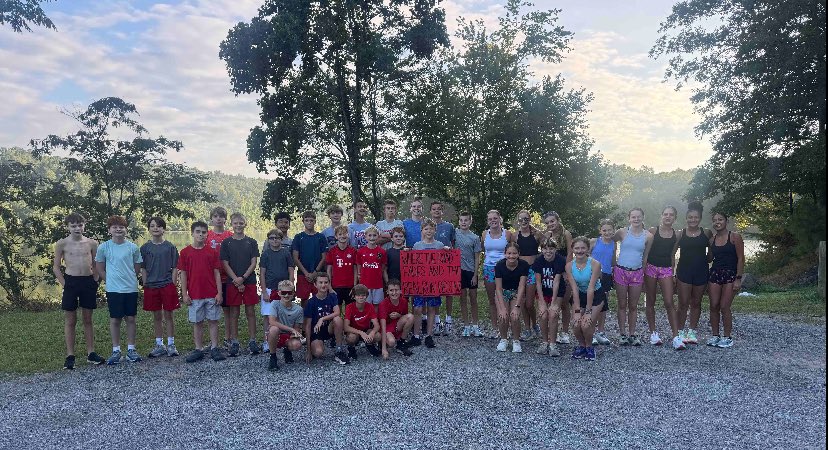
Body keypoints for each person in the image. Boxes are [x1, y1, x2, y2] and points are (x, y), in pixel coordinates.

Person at [53, 212, 104, 369]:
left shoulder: (92, 243)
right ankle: (70, 355)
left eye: (80, 225)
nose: (77, 228)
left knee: (88, 319)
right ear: (68, 227)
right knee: (71, 320)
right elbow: (56, 267)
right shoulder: (62, 244)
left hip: (88, 282)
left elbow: (97, 265)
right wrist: (64, 283)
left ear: (84, 225)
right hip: (71, 282)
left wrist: (96, 280)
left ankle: (91, 353)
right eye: (73, 225)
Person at [95, 215, 143, 365]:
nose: (118, 229)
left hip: (130, 288)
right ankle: (116, 350)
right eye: (115, 227)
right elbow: (100, 268)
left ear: (126, 230)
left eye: (121, 227)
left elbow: (137, 268)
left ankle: (131, 349)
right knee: (115, 319)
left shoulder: (133, 247)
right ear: (109, 230)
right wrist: (110, 280)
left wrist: (129, 279)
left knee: (130, 319)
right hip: (113, 289)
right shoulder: (104, 247)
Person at [178, 221, 226, 363]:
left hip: (211, 293)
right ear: (192, 233)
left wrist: (219, 292)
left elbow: (217, 273)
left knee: (213, 321)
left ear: (207, 234)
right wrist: (184, 294)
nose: (201, 234)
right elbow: (183, 274)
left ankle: (214, 347)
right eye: (198, 231)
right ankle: (198, 349)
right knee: (197, 322)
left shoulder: (212, 252)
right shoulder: (185, 252)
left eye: (204, 232)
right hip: (195, 294)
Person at [644, 206, 686, 350]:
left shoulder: (677, 234)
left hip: (666, 269)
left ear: (675, 218)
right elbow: (645, 252)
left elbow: (672, 254)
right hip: (650, 267)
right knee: (650, 300)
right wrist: (642, 270)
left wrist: (673, 273)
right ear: (661, 216)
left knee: (669, 301)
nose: (668, 217)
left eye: (671, 215)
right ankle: (653, 333)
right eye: (666, 214)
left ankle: (675, 337)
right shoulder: (652, 231)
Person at [219, 212, 260, 357]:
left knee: (250, 312)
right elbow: (225, 263)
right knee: (234, 313)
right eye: (235, 223)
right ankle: (234, 341)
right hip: (232, 282)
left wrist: (243, 278)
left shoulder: (252, 242)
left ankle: (252, 341)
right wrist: (236, 279)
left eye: (241, 223)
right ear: (231, 224)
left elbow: (254, 262)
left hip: (249, 281)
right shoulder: (226, 243)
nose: (238, 225)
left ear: (245, 224)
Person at [612, 208, 654, 346]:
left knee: (634, 305)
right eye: (633, 217)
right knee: (622, 304)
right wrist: (612, 263)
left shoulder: (648, 236)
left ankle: (632, 333)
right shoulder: (622, 232)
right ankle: (622, 334)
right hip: (621, 271)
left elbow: (645, 255)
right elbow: (609, 242)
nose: (636, 219)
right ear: (629, 218)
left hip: (637, 272)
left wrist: (642, 270)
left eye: (638, 217)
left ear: (643, 217)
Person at [140, 216, 180, 358]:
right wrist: (145, 282)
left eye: (159, 226)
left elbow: (175, 266)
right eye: (152, 226)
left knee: (169, 315)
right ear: (149, 229)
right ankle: (159, 344)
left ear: (163, 229)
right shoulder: (145, 248)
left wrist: (173, 283)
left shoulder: (170, 247)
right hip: (151, 285)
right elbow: (143, 267)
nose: (156, 228)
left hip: (167, 284)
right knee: (157, 315)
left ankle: (171, 344)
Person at [674, 201, 712, 344]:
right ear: (686, 218)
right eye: (690, 217)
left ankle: (692, 332)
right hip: (684, 272)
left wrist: (706, 260)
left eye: (696, 217)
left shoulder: (707, 233)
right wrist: (672, 272)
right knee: (683, 303)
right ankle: (680, 331)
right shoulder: (681, 233)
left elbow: (712, 252)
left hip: (701, 272)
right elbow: (672, 253)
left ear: (700, 218)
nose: (693, 220)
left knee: (696, 302)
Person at [707, 212, 744, 348]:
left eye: (720, 219)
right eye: (715, 220)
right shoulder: (712, 240)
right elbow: (709, 258)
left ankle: (727, 337)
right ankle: (715, 335)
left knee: (724, 306)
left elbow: (741, 258)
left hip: (730, 274)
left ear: (726, 221)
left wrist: (738, 278)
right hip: (715, 273)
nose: (718, 222)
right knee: (714, 305)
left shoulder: (734, 237)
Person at [566, 237, 607, 361]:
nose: (580, 251)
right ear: (573, 249)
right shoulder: (569, 266)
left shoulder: (595, 264)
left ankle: (589, 347)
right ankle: (582, 346)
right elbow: (574, 289)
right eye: (577, 248)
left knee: (586, 324)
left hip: (595, 294)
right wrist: (577, 311)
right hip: (579, 295)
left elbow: (591, 288)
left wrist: (588, 312)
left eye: (583, 248)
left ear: (588, 249)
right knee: (576, 324)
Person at [411, 218, 449, 348]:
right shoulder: (417, 246)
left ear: (435, 230)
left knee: (432, 308)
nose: (428, 231)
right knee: (417, 308)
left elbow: (445, 263)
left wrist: (447, 251)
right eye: (426, 229)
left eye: (431, 229)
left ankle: (429, 335)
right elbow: (412, 265)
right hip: (420, 282)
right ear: (422, 231)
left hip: (434, 282)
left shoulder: (439, 246)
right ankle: (416, 335)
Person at [259, 228, 295, 352]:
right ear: (268, 240)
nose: (274, 240)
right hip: (269, 288)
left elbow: (291, 270)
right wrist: (264, 291)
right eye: (272, 238)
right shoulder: (265, 254)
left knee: (283, 315)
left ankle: (283, 339)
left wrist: (291, 286)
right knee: (268, 316)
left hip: (283, 289)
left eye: (277, 238)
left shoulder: (286, 253)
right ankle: (266, 341)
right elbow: (262, 273)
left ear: (281, 239)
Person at [303, 272, 349, 364]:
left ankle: (339, 350)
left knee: (338, 319)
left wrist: (322, 319)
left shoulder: (332, 296)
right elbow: (307, 326)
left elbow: (337, 312)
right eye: (320, 282)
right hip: (316, 330)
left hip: (328, 328)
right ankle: (314, 344)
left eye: (326, 282)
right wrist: (308, 351)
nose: (323, 285)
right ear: (315, 285)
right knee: (318, 353)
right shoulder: (310, 302)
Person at [542, 211, 573, 345]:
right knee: (551, 302)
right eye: (548, 222)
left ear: (558, 220)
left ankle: (565, 332)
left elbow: (571, 252)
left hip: (564, 270)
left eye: (552, 221)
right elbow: (545, 252)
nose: (550, 224)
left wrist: (566, 271)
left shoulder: (566, 234)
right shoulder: (547, 235)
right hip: (550, 272)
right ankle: (551, 332)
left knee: (564, 303)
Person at [513, 210, 544, 340]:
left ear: (530, 219)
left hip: (532, 270)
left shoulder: (536, 234)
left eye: (526, 219)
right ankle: (527, 328)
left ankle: (535, 324)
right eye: (521, 219)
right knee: (522, 301)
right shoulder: (515, 236)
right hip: (520, 271)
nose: (523, 222)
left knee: (530, 303)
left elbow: (549, 246)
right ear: (518, 221)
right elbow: (512, 251)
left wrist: (539, 259)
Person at [481, 210, 513, 339]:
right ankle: (495, 328)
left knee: (506, 297)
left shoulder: (508, 234)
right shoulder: (484, 234)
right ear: (487, 221)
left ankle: (508, 326)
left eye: (495, 218)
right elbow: (484, 250)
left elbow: (513, 250)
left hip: (505, 268)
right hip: (489, 268)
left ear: (500, 219)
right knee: (492, 300)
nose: (493, 221)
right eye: (490, 219)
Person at [494, 242, 529, 353]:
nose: (511, 256)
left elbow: (522, 286)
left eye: (514, 253)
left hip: (516, 293)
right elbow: (498, 288)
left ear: (518, 254)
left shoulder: (523, 265)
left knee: (514, 316)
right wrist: (502, 308)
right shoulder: (499, 265)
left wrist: (517, 306)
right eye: (509, 253)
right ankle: (504, 339)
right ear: (505, 254)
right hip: (503, 292)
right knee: (502, 316)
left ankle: (516, 340)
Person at [206, 206, 233, 347]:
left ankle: (228, 338)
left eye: (221, 216)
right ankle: (213, 341)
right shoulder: (207, 235)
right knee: (212, 311)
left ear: (225, 219)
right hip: (211, 279)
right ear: (212, 218)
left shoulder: (229, 235)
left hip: (227, 277)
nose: (218, 219)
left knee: (227, 310)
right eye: (215, 216)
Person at [533, 238, 565, 356]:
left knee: (553, 314)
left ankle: (553, 343)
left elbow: (556, 282)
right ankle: (544, 341)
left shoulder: (560, 260)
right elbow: (538, 282)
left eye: (551, 248)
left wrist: (552, 303)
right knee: (543, 314)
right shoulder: (538, 260)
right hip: (543, 291)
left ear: (555, 249)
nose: (548, 251)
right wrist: (541, 302)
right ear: (542, 250)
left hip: (557, 292)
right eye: (545, 249)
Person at [454, 211, 483, 337]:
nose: (463, 222)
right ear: (459, 221)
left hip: (471, 271)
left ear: (470, 222)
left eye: (466, 220)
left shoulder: (475, 238)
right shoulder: (454, 234)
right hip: (458, 271)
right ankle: (466, 325)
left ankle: (475, 326)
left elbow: (477, 257)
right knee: (462, 299)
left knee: (473, 299)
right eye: (461, 220)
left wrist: (475, 274)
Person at [430, 200, 456, 335]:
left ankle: (449, 319)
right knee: (436, 292)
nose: (436, 211)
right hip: (433, 265)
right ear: (430, 211)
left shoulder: (449, 226)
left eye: (438, 209)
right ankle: (437, 320)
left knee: (448, 292)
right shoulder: (427, 226)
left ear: (442, 211)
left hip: (447, 263)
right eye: (434, 209)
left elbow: (453, 244)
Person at [291, 211, 328, 307]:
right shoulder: (298, 237)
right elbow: (295, 258)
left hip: (318, 274)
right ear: (303, 221)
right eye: (306, 220)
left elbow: (324, 257)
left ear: (315, 221)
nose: (309, 222)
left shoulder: (321, 237)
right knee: (304, 300)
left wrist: (315, 272)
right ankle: (304, 320)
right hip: (303, 274)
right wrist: (306, 273)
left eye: (311, 220)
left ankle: (319, 320)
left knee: (320, 298)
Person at [266, 280, 304, 371]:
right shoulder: (274, 304)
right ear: (279, 293)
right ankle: (273, 357)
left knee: (297, 344)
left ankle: (287, 350)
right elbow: (272, 322)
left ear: (293, 293)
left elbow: (297, 327)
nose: (286, 295)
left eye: (289, 293)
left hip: (288, 335)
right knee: (274, 329)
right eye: (283, 293)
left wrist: (295, 333)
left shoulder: (299, 309)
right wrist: (291, 329)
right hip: (275, 334)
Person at [589, 219, 615, 345]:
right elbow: (583, 254)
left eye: (609, 230)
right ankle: (590, 332)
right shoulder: (594, 241)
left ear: (613, 230)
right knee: (593, 303)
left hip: (606, 275)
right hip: (593, 274)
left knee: (603, 304)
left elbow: (613, 261)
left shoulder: (614, 244)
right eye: (604, 230)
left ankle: (601, 331)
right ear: (600, 231)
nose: (607, 232)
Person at [344, 284, 382, 359]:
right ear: (354, 296)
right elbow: (346, 327)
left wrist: (372, 333)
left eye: (363, 295)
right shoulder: (349, 307)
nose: (361, 297)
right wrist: (360, 333)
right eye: (358, 295)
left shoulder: (370, 306)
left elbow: (377, 325)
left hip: (366, 330)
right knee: (351, 338)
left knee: (377, 336)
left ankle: (369, 345)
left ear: (366, 296)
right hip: (354, 332)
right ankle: (351, 348)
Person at [379, 279, 414, 358]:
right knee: (391, 342)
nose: (394, 293)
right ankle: (381, 343)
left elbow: (406, 318)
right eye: (391, 290)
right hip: (387, 328)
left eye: (396, 290)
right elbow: (383, 326)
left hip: (397, 325)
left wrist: (399, 316)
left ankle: (401, 342)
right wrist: (384, 349)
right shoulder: (383, 304)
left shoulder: (404, 301)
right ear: (387, 292)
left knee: (411, 317)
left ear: (400, 291)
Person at [326, 225, 357, 307]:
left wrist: (354, 285)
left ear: (348, 235)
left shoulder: (353, 251)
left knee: (350, 310)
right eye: (340, 234)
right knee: (336, 312)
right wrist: (329, 286)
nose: (343, 236)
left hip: (350, 286)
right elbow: (329, 270)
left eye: (345, 234)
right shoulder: (332, 251)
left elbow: (355, 269)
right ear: (336, 236)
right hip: (336, 286)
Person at [356, 226, 387, 308]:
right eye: (369, 235)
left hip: (378, 283)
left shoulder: (382, 252)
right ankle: (367, 320)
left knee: (377, 305)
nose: (372, 238)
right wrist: (359, 276)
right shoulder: (360, 251)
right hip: (365, 283)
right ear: (365, 236)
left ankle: (375, 320)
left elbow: (383, 266)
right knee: (366, 305)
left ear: (378, 236)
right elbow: (359, 265)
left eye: (374, 235)